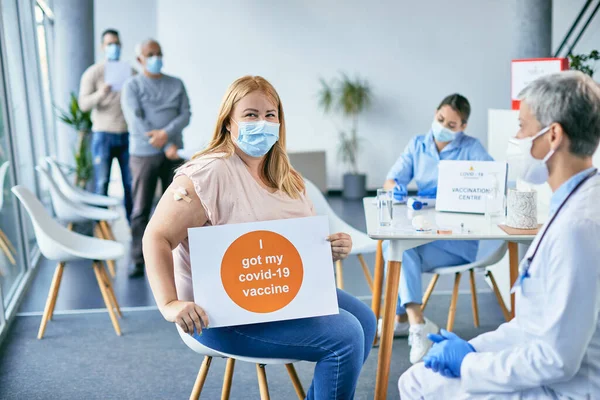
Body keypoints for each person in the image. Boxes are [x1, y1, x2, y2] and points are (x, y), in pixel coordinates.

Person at [142, 76, 376, 399]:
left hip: (280, 292)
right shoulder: (207, 174)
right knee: (347, 335)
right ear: (228, 123)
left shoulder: (285, 175)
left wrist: (331, 247)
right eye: (251, 114)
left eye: (270, 115)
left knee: (365, 319)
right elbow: (156, 236)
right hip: (219, 314)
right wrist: (170, 304)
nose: (262, 123)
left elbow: (298, 243)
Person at [399, 71, 600, 399]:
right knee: (419, 376)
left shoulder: (578, 228)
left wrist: (469, 365)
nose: (517, 137)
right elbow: (533, 326)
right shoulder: (576, 203)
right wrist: (472, 347)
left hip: (565, 389)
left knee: (416, 383)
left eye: (522, 126)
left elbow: (556, 360)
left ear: (554, 136)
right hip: (545, 366)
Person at [381, 94, 493, 364]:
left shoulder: (471, 148)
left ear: (463, 127)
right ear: (435, 114)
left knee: (398, 250)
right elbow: (391, 179)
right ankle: (415, 322)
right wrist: (395, 187)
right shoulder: (418, 144)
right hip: (426, 232)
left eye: (452, 124)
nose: (443, 126)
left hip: (458, 241)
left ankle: (400, 319)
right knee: (395, 246)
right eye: (440, 119)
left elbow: (493, 181)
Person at [121, 38, 191, 278]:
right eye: (150, 54)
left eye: (158, 53)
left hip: (174, 153)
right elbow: (135, 118)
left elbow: (185, 114)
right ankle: (137, 260)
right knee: (141, 207)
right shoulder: (132, 86)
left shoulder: (176, 84)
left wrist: (167, 137)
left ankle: (181, 260)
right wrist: (160, 141)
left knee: (182, 206)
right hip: (143, 154)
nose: (155, 58)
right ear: (140, 59)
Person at [79, 28, 135, 222]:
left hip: (127, 135)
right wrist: (101, 93)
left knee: (130, 183)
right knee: (101, 183)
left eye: (117, 44)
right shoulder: (93, 73)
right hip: (103, 135)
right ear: (102, 47)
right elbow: (83, 104)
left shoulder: (130, 71)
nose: (114, 47)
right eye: (110, 44)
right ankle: (100, 228)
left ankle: (133, 228)